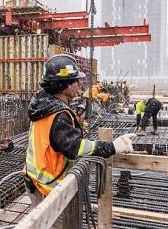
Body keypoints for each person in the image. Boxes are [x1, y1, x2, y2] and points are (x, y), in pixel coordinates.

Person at [24, 54, 136, 229]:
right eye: (75, 81)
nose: (79, 85)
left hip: (37, 181)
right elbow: (75, 147)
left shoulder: (44, 106)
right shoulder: (58, 114)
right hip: (49, 187)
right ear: (64, 85)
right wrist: (113, 146)